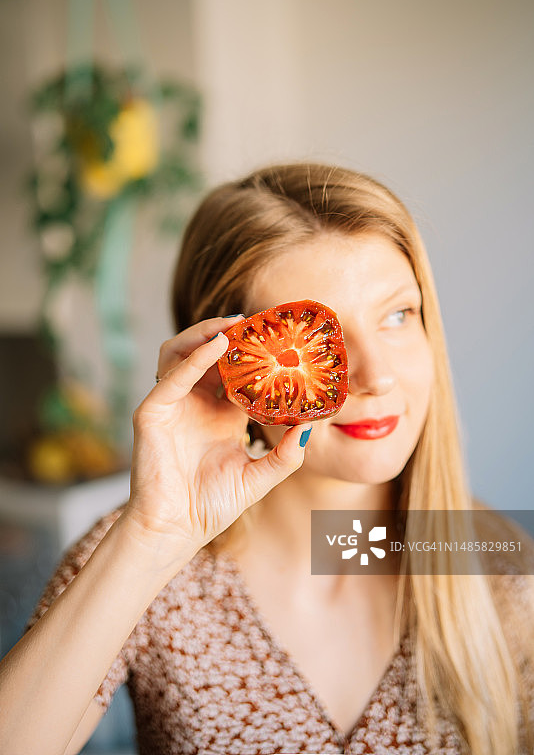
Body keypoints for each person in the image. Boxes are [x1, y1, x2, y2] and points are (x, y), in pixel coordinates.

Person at [0, 162, 533, 755]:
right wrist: (154, 536)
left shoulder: (498, 571)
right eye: (317, 339)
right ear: (227, 369)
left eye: (398, 315)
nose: (377, 377)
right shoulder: (145, 565)